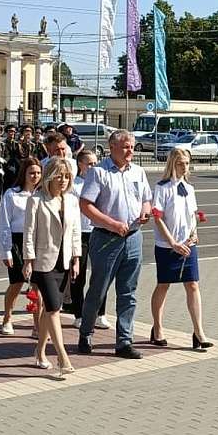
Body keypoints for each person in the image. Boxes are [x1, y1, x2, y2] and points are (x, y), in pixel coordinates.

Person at [77, 129, 151, 359]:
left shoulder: (138, 172)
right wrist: (111, 223)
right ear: (112, 148)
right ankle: (86, 332)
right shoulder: (98, 173)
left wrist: (145, 212)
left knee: (128, 291)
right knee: (98, 289)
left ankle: (124, 341)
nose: (131, 151)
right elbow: (86, 205)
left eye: (132, 146)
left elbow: (146, 199)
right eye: (126, 146)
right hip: (106, 239)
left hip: (133, 238)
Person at [22, 156, 80, 378]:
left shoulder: (71, 200)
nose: (63, 181)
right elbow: (29, 233)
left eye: (66, 177)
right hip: (43, 262)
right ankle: (62, 357)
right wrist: (28, 260)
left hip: (63, 262)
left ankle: (40, 351)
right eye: (59, 177)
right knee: (54, 308)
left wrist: (76, 258)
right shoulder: (36, 200)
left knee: (50, 309)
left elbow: (75, 231)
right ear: (49, 177)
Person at [150, 147, 210, 352]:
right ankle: (157, 328)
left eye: (186, 163)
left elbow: (193, 214)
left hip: (188, 244)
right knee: (164, 285)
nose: (184, 167)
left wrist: (194, 233)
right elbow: (157, 218)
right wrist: (173, 242)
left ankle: (198, 332)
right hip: (168, 245)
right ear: (172, 164)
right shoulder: (162, 187)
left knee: (192, 284)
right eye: (180, 163)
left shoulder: (189, 188)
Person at [66, 149, 111, 330]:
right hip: (79, 234)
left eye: (95, 162)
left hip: (98, 231)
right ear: (80, 165)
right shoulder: (74, 185)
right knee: (79, 275)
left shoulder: (100, 180)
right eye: (89, 163)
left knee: (101, 274)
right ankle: (78, 313)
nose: (93, 166)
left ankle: (100, 314)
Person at [0, 157, 43, 336]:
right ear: (23, 174)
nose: (35, 176)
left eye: (38, 173)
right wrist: (6, 250)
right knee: (17, 282)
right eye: (31, 173)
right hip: (17, 241)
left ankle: (37, 326)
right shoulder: (12, 194)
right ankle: (7, 318)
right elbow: (4, 224)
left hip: (38, 241)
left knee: (37, 285)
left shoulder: (43, 194)